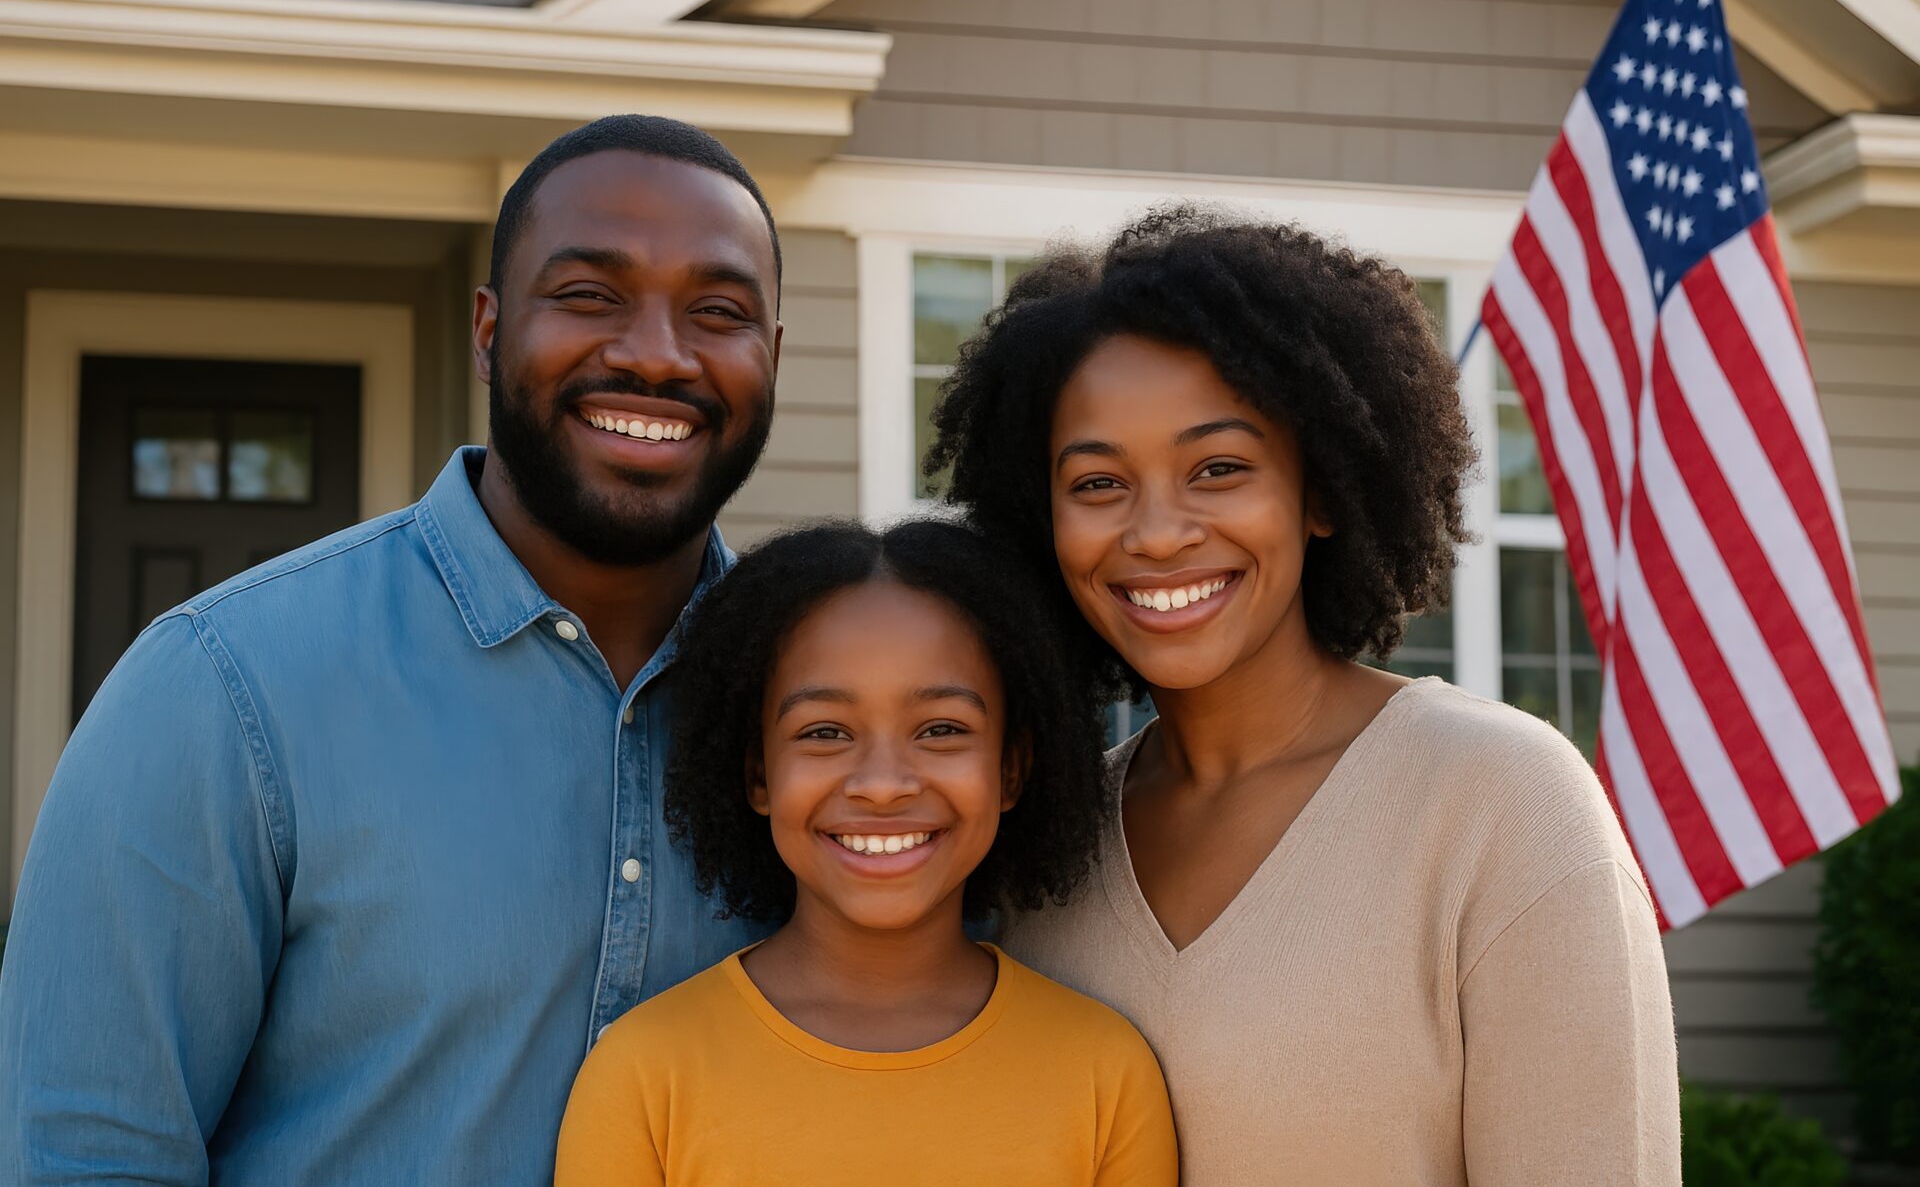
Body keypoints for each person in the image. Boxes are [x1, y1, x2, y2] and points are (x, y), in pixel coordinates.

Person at [0, 115, 787, 1184]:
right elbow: (87, 1156)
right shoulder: (222, 687)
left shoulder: (830, 718)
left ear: (773, 356)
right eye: (590, 295)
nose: (655, 351)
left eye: (719, 310)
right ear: (487, 330)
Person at [927, 205, 1681, 1185]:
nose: (1157, 532)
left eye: (1219, 468)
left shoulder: (1504, 804)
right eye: (1099, 482)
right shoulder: (1046, 847)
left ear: (1322, 489)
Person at [554, 521, 1178, 1185]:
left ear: (1012, 769)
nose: (882, 785)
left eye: (942, 729)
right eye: (825, 731)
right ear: (758, 775)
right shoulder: (646, 1078)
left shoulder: (1104, 1077)